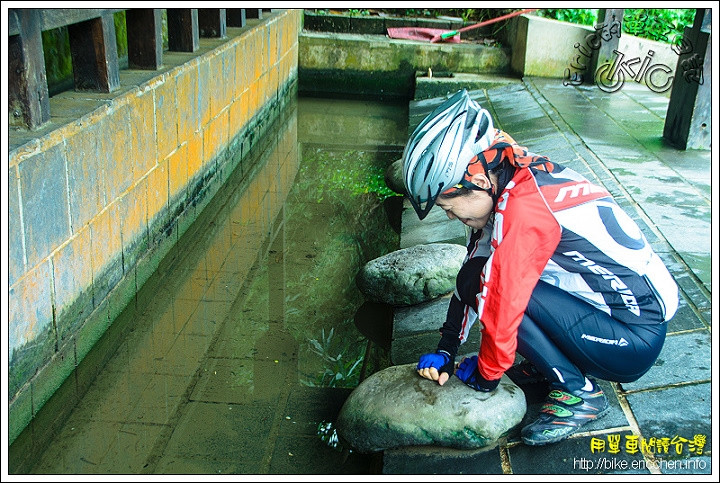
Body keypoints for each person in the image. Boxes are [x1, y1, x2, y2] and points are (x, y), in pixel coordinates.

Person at [403, 89, 679, 446]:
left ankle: (580, 394)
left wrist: (486, 376)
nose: (453, 216)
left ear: (480, 182)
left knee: (504, 288)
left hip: (632, 339)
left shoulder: (524, 208)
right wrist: (445, 350)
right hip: (609, 319)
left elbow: (502, 301)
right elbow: (470, 274)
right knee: (482, 274)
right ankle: (550, 361)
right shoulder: (510, 176)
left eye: (450, 207)